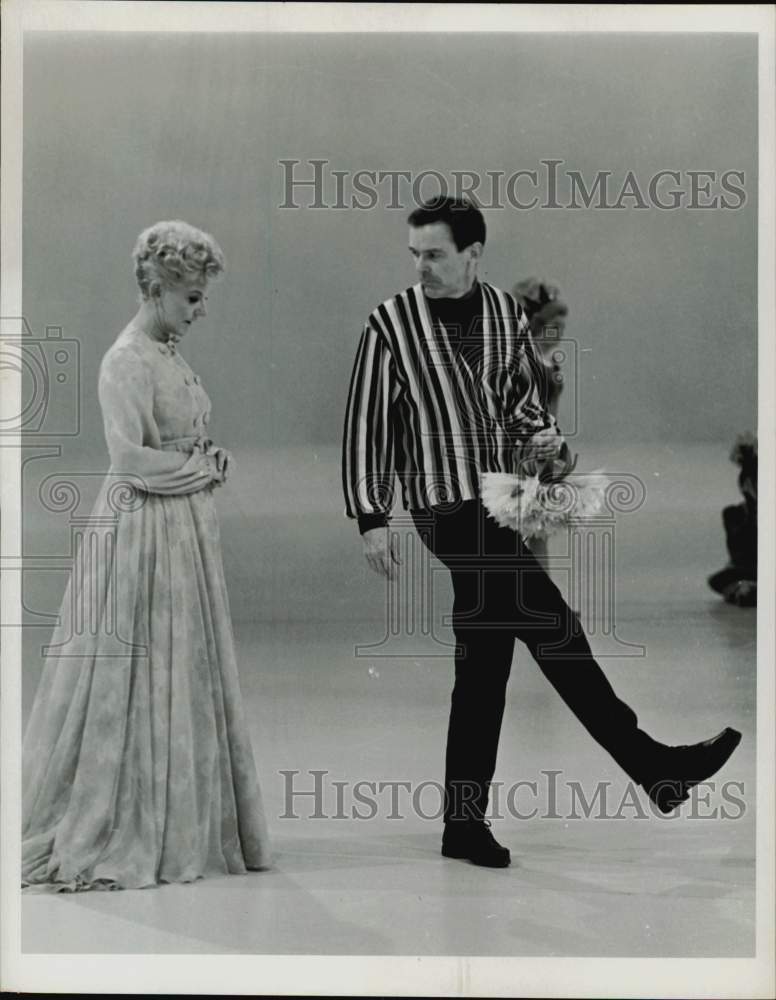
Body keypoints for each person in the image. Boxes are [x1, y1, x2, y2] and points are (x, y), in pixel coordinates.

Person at [342, 196, 741, 869]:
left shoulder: (502, 313)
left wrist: (548, 443)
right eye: (415, 254)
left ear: (473, 254)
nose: (421, 267)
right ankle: (651, 767)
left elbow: (521, 404)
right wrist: (372, 517)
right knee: (553, 623)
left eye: (434, 254)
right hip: (443, 506)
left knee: (485, 663)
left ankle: (463, 825)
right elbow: (366, 426)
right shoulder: (389, 324)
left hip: (500, 499)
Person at [22, 220, 271, 891]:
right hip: (143, 529)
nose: (199, 309)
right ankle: (124, 821)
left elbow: (180, 436)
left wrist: (207, 456)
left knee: (179, 661)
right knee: (134, 673)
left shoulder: (168, 353)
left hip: (182, 524)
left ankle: (179, 818)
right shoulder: (126, 359)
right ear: (155, 288)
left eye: (201, 297)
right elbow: (128, 459)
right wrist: (199, 470)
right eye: (190, 297)